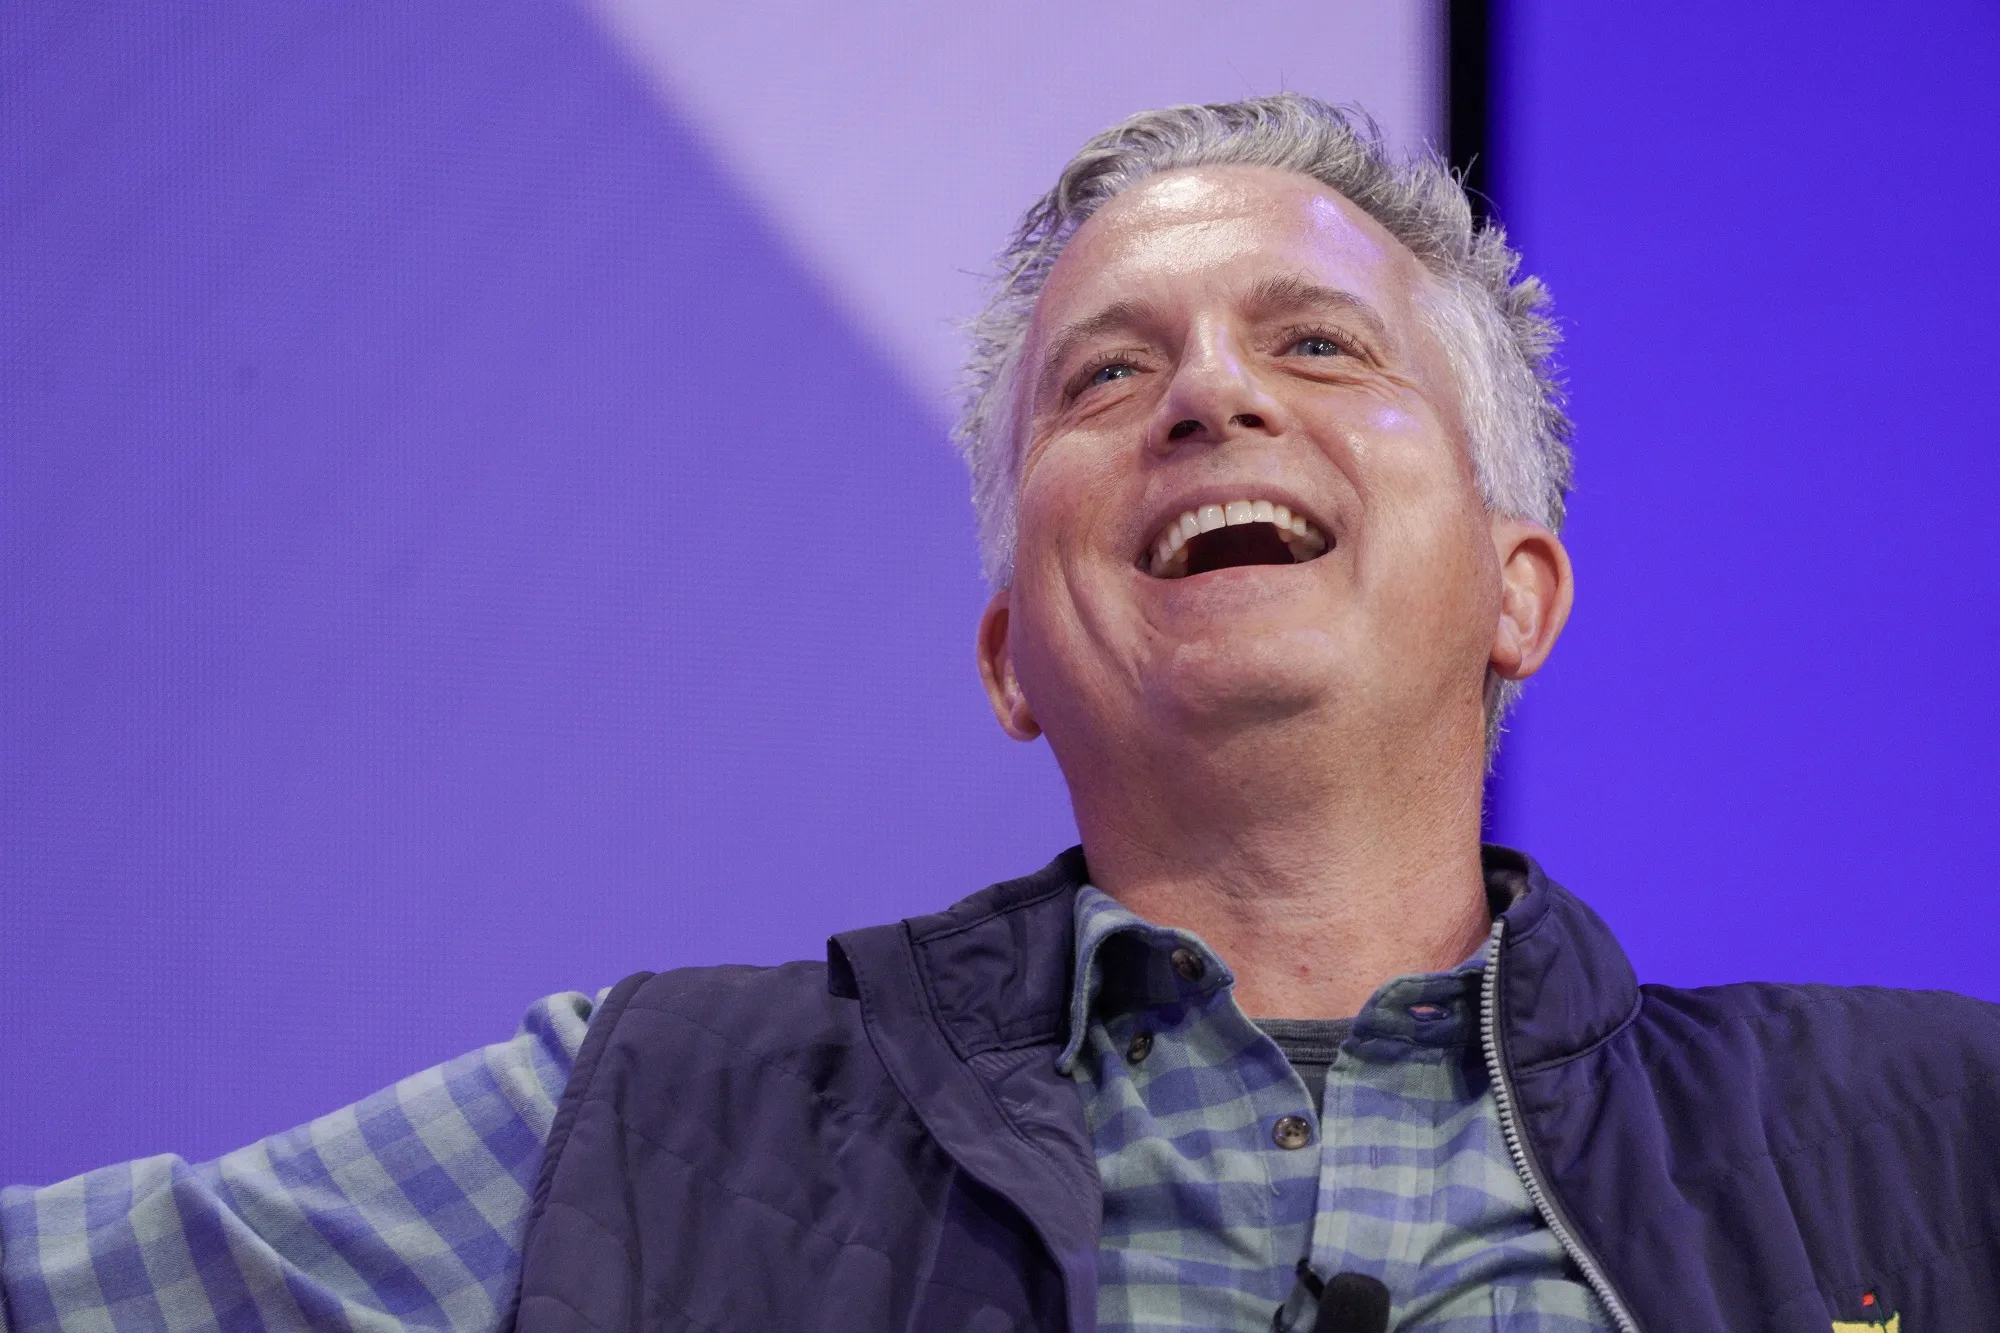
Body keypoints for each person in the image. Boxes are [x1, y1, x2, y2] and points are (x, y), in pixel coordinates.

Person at [3, 93, 1996, 1333]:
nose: (1211, 396)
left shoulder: (1923, 1148)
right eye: (1105, 379)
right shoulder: (648, 1127)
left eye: (1315, 343)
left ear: (1515, 588)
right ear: (1007, 659)